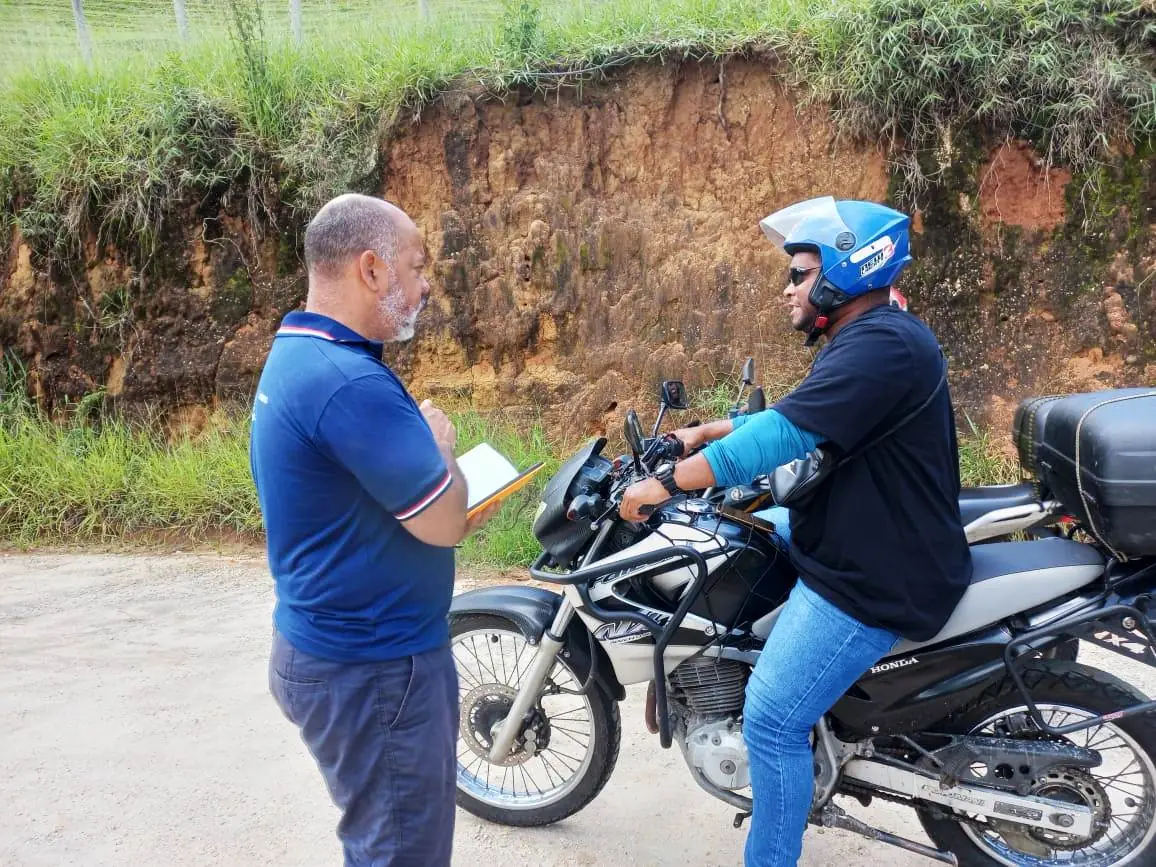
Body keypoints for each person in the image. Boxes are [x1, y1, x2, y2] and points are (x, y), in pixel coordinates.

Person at [619, 196, 972, 867]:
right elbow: (800, 414)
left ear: (844, 270)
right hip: (864, 533)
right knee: (750, 530)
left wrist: (663, 484)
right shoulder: (874, 336)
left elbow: (783, 434)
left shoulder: (881, 347)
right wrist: (704, 431)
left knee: (773, 717)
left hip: (873, 573)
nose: (786, 289)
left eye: (801, 273)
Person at [249, 193, 496, 866]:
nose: (424, 285)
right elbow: (444, 521)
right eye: (415, 266)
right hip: (375, 666)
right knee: (399, 851)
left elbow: (365, 507)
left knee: (384, 840)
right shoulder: (346, 381)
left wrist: (442, 489)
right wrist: (439, 443)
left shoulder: (299, 353)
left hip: (337, 651)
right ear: (371, 269)